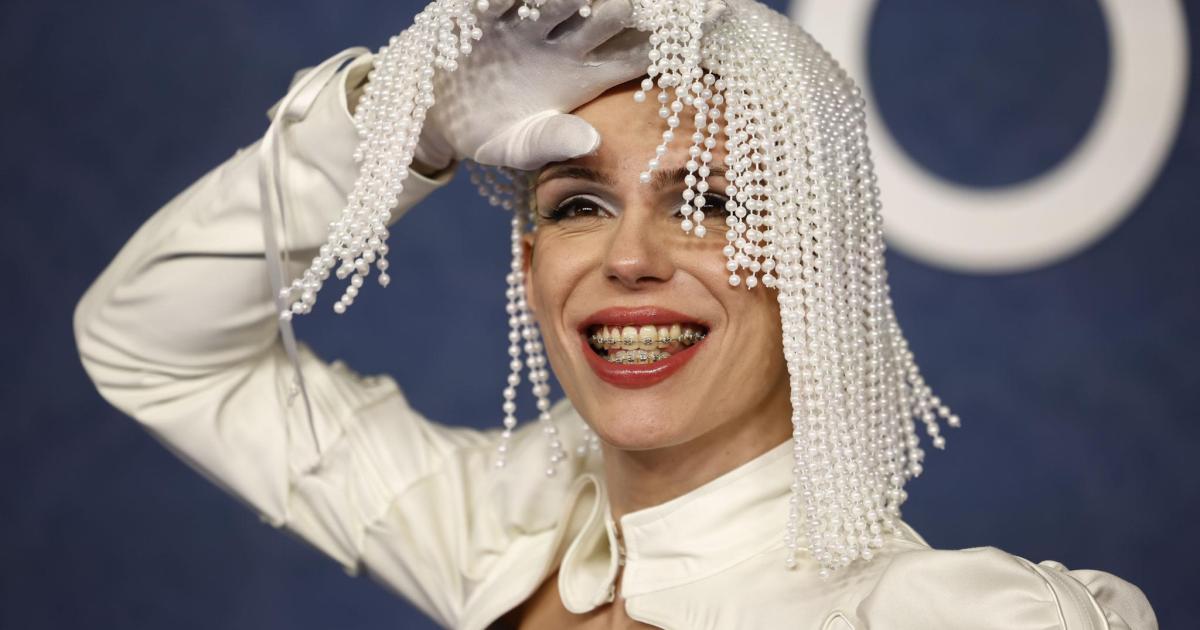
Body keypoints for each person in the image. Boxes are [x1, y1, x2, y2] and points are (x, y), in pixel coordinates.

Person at [74, 0, 1157, 628]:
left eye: (709, 203)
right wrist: (406, 125)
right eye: (579, 206)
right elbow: (151, 347)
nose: (629, 258)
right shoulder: (499, 534)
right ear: (530, 259)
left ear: (814, 260)